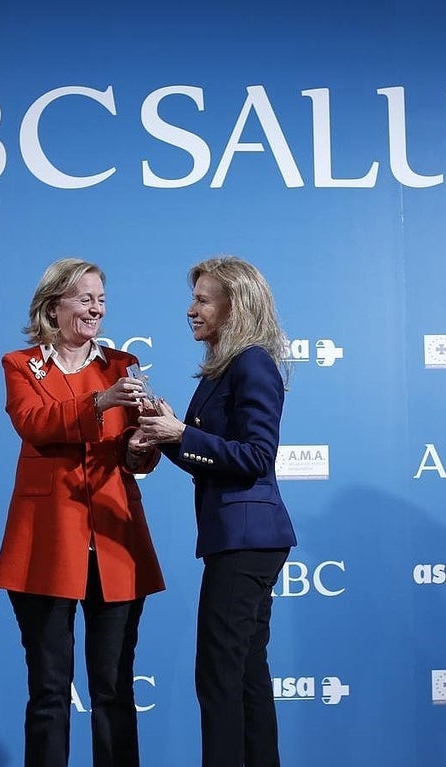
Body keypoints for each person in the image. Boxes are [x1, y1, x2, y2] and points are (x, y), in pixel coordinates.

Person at [0, 258, 164, 767]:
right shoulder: (21, 365)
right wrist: (99, 402)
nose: (96, 309)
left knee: (114, 688)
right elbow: (34, 423)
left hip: (114, 544)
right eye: (84, 298)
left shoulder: (123, 364)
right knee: (49, 691)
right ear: (53, 306)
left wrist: (140, 448)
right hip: (44, 547)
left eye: (101, 299)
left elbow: (135, 452)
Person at [137, 256, 297, 767]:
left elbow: (256, 456)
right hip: (241, 537)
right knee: (245, 672)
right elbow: (208, 458)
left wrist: (182, 433)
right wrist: (167, 433)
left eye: (203, 300)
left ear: (235, 306)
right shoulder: (223, 369)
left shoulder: (252, 363)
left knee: (220, 675)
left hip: (248, 537)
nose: (191, 310)